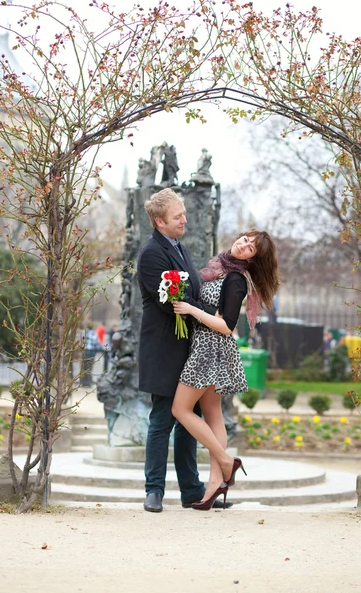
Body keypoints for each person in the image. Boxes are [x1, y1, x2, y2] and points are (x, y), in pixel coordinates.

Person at [172, 230, 279, 510]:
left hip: (211, 349)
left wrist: (191, 310)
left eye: (250, 249)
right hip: (206, 346)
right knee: (214, 416)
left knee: (180, 410)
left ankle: (226, 461)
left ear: (252, 260)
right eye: (245, 239)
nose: (242, 246)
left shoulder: (235, 279)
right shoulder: (220, 269)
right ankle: (212, 489)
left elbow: (227, 325)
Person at [137, 188, 224, 513]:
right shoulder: (151, 254)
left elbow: (194, 293)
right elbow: (170, 302)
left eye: (184, 214)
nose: (184, 220)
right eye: (178, 216)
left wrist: (210, 309)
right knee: (162, 419)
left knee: (192, 420)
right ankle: (154, 491)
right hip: (164, 350)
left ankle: (192, 491)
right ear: (160, 221)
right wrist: (200, 307)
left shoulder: (182, 249)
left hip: (191, 349)